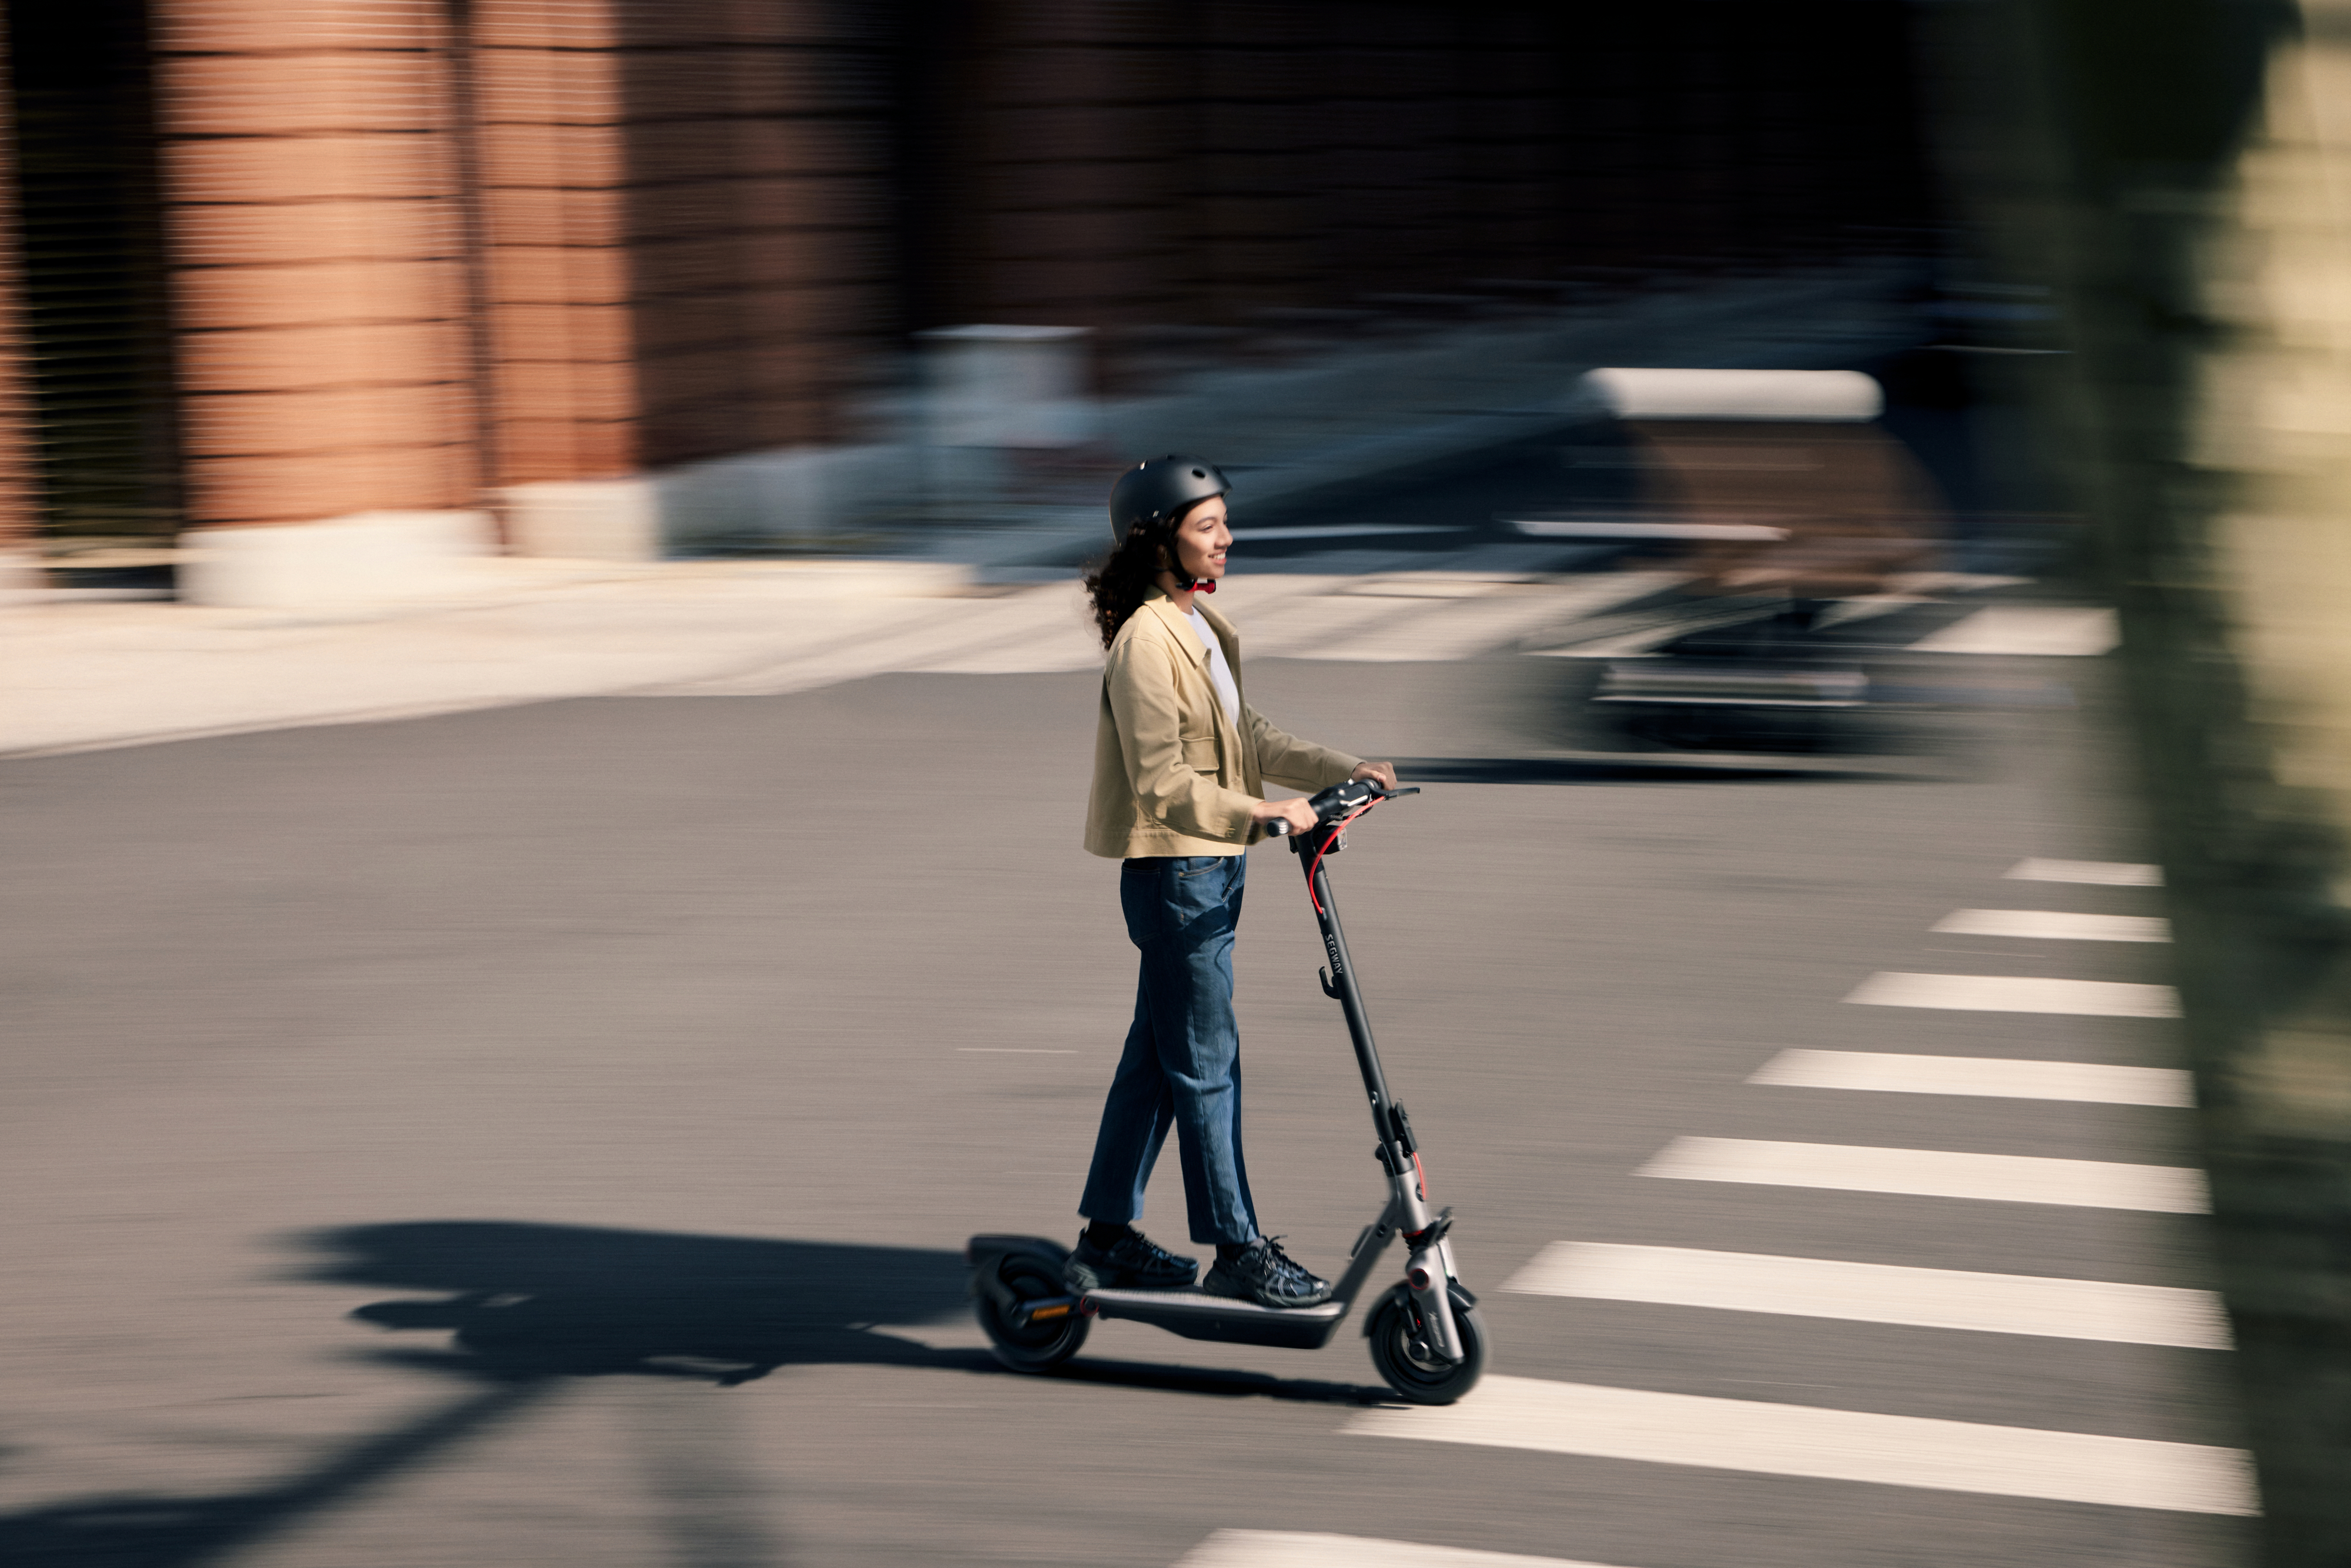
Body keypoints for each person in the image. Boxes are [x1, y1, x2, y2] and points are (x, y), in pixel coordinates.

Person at [1067, 454, 1396, 1309]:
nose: (1227, 538)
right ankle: (1236, 1247)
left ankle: (1107, 1236)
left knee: (1158, 1056)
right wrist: (1265, 810)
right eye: (1207, 525)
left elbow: (1247, 732)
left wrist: (1343, 767)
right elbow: (1161, 782)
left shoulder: (1200, 626)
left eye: (1223, 522)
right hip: (1178, 872)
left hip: (1210, 867)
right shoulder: (1146, 644)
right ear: (1159, 541)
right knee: (1206, 1062)